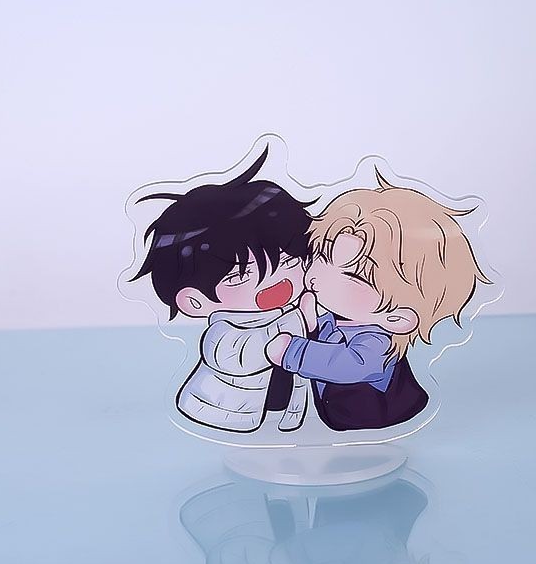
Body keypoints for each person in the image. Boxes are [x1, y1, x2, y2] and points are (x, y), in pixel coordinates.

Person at [266, 174, 491, 431]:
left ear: (397, 318)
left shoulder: (377, 342)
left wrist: (293, 352)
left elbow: (349, 365)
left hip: (368, 418)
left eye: (353, 275)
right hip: (335, 412)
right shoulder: (345, 319)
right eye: (323, 255)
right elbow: (334, 337)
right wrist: (315, 324)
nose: (317, 275)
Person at [130, 147, 316, 432]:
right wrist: (300, 321)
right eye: (241, 276)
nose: (277, 281)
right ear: (194, 301)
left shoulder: (293, 309)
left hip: (282, 415)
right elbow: (243, 357)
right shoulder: (224, 332)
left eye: (290, 261)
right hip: (219, 414)